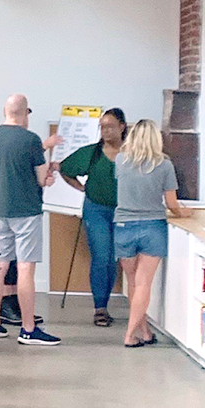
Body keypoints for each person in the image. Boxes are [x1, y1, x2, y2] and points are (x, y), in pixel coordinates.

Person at [0, 93, 65, 345]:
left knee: (1, 265)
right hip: (27, 211)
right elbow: (41, 180)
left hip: (1, 209)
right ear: (25, 112)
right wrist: (48, 177)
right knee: (26, 269)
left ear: (5, 111)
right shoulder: (30, 140)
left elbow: (12, 165)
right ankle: (28, 329)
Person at [115, 119, 187, 348]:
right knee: (144, 284)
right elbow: (171, 202)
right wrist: (185, 213)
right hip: (152, 227)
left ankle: (144, 331)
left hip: (123, 226)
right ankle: (129, 335)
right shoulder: (164, 165)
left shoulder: (120, 160)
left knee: (133, 284)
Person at [59, 108, 128, 327]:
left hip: (124, 212)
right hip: (96, 210)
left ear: (122, 127)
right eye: (102, 127)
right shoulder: (91, 153)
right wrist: (79, 187)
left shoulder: (132, 154)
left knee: (116, 260)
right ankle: (100, 308)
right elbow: (64, 168)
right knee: (102, 257)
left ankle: (111, 304)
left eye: (110, 126)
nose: (105, 131)